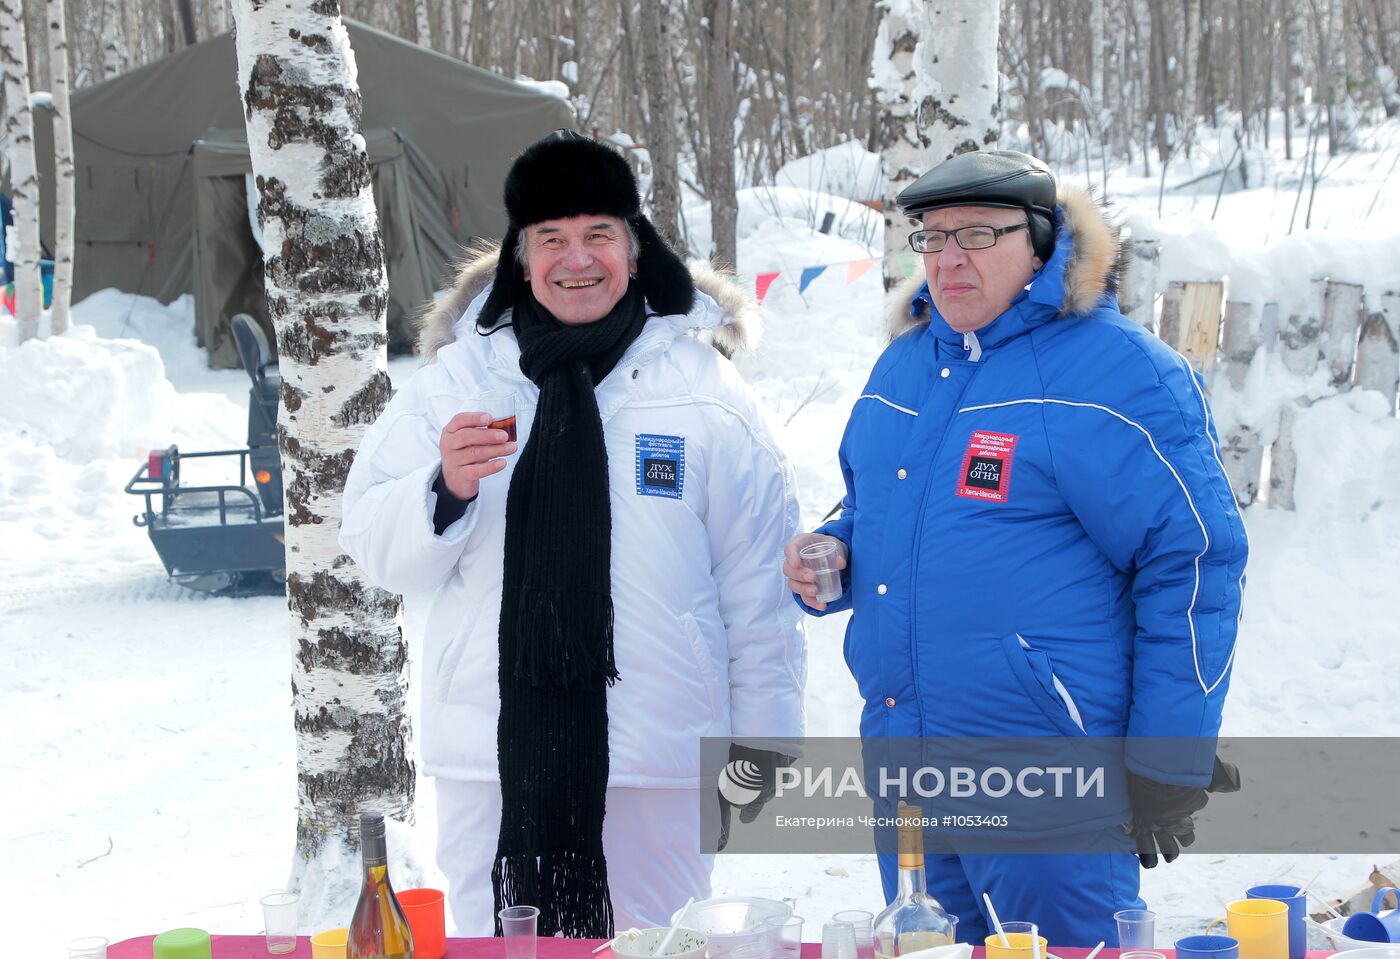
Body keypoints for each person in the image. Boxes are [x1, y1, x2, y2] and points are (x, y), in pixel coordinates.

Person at [341, 131, 805, 938]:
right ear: (521, 257)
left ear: (634, 247)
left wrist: (762, 755)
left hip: (656, 761)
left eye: (598, 235)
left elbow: (759, 590)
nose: (575, 259)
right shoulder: (456, 381)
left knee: (657, 952)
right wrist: (443, 488)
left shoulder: (702, 390)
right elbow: (372, 544)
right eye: (551, 238)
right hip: (491, 761)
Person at [783, 151, 1247, 946]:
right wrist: (835, 545)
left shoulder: (1119, 371)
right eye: (930, 237)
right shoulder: (907, 360)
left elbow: (1194, 560)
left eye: (976, 234)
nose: (946, 258)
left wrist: (1169, 755)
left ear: (1040, 241)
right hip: (907, 757)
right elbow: (883, 502)